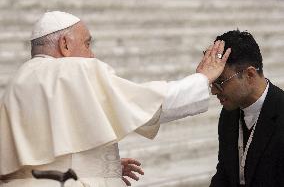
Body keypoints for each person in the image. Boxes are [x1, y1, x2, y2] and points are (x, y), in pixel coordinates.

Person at [0, 11, 230, 187]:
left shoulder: (16, 84)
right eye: (87, 43)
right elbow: (152, 103)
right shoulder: (76, 70)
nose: (92, 54)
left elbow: (34, 159)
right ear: (65, 45)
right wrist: (202, 79)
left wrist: (94, 165)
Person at [209, 30, 284, 187]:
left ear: (250, 74)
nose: (213, 91)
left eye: (220, 82)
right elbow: (224, 172)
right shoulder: (229, 113)